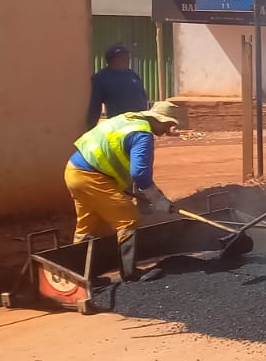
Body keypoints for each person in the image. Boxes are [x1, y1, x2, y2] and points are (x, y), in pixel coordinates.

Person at [66, 101, 180, 281]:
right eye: (168, 125)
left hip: (74, 171)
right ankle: (130, 273)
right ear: (158, 119)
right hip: (92, 176)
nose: (167, 130)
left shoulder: (129, 119)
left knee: (87, 224)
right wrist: (159, 200)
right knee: (128, 219)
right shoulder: (142, 134)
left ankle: (79, 276)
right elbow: (140, 174)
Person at [86, 43, 149, 128]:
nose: (127, 59)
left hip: (138, 123)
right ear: (111, 60)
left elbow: (142, 96)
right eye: (122, 57)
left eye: (127, 56)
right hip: (119, 125)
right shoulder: (101, 78)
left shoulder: (132, 75)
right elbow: (95, 105)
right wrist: (91, 126)